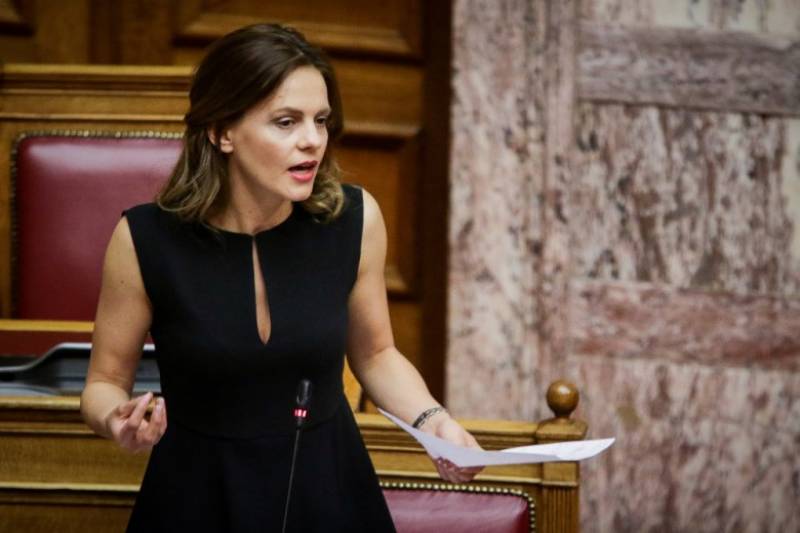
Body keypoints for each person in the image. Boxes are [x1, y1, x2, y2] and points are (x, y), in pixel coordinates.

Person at [80, 23, 481, 532]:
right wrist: (116, 419)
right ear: (221, 131)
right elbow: (103, 384)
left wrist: (434, 422)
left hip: (327, 487)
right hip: (199, 492)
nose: (312, 141)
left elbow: (376, 354)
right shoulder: (144, 239)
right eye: (286, 122)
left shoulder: (353, 221)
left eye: (321, 120)